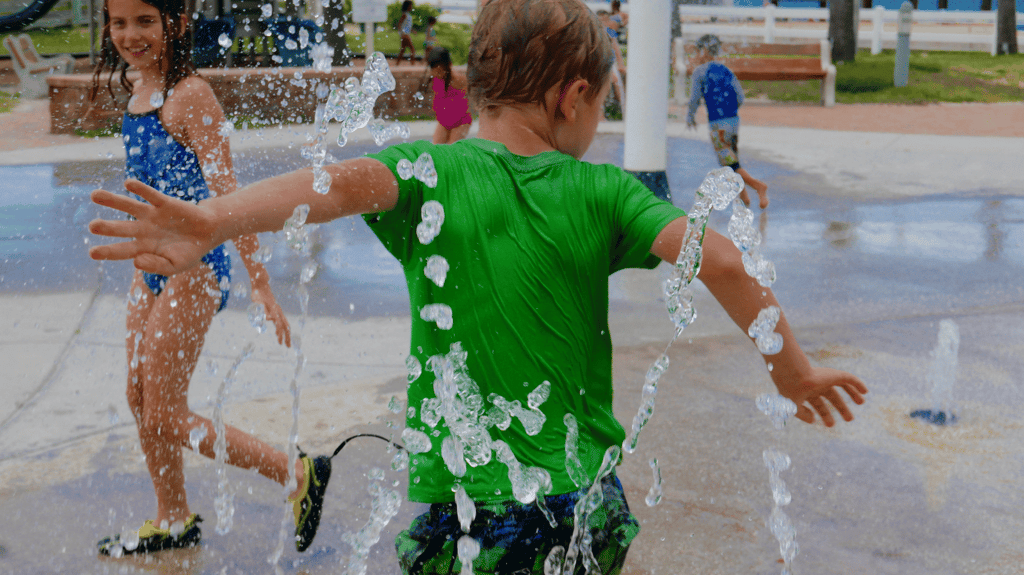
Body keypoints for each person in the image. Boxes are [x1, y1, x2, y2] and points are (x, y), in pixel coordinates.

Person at [87, 0, 868, 572]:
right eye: (604, 103)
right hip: (579, 507)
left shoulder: (431, 174)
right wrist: (793, 373)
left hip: (466, 516)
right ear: (573, 97)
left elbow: (336, 182)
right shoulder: (602, 192)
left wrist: (213, 220)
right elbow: (724, 262)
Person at [88, 0, 331, 556]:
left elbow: (229, 193)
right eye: (119, 22)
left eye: (145, 21)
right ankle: (172, 517)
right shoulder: (136, 85)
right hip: (150, 268)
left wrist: (260, 282)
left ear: (174, 23)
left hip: (195, 270)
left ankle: (295, 473)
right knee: (138, 395)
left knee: (166, 413)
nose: (130, 35)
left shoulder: (189, 95)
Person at [686, 34, 769, 210]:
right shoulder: (725, 70)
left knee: (729, 164)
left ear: (705, 51)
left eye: (697, 51)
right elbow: (740, 96)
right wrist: (730, 112)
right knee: (733, 159)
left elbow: (694, 99)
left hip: (717, 124)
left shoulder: (699, 72)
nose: (695, 55)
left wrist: (690, 116)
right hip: (733, 121)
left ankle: (758, 186)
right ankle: (744, 197)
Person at [426, 47, 471, 144]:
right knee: (435, 150)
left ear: (448, 66)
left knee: (452, 150)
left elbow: (471, 89)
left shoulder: (456, 79)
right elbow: (438, 96)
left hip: (461, 122)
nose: (436, 73)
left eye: (440, 71)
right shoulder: (437, 78)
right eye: (434, 70)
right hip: (444, 121)